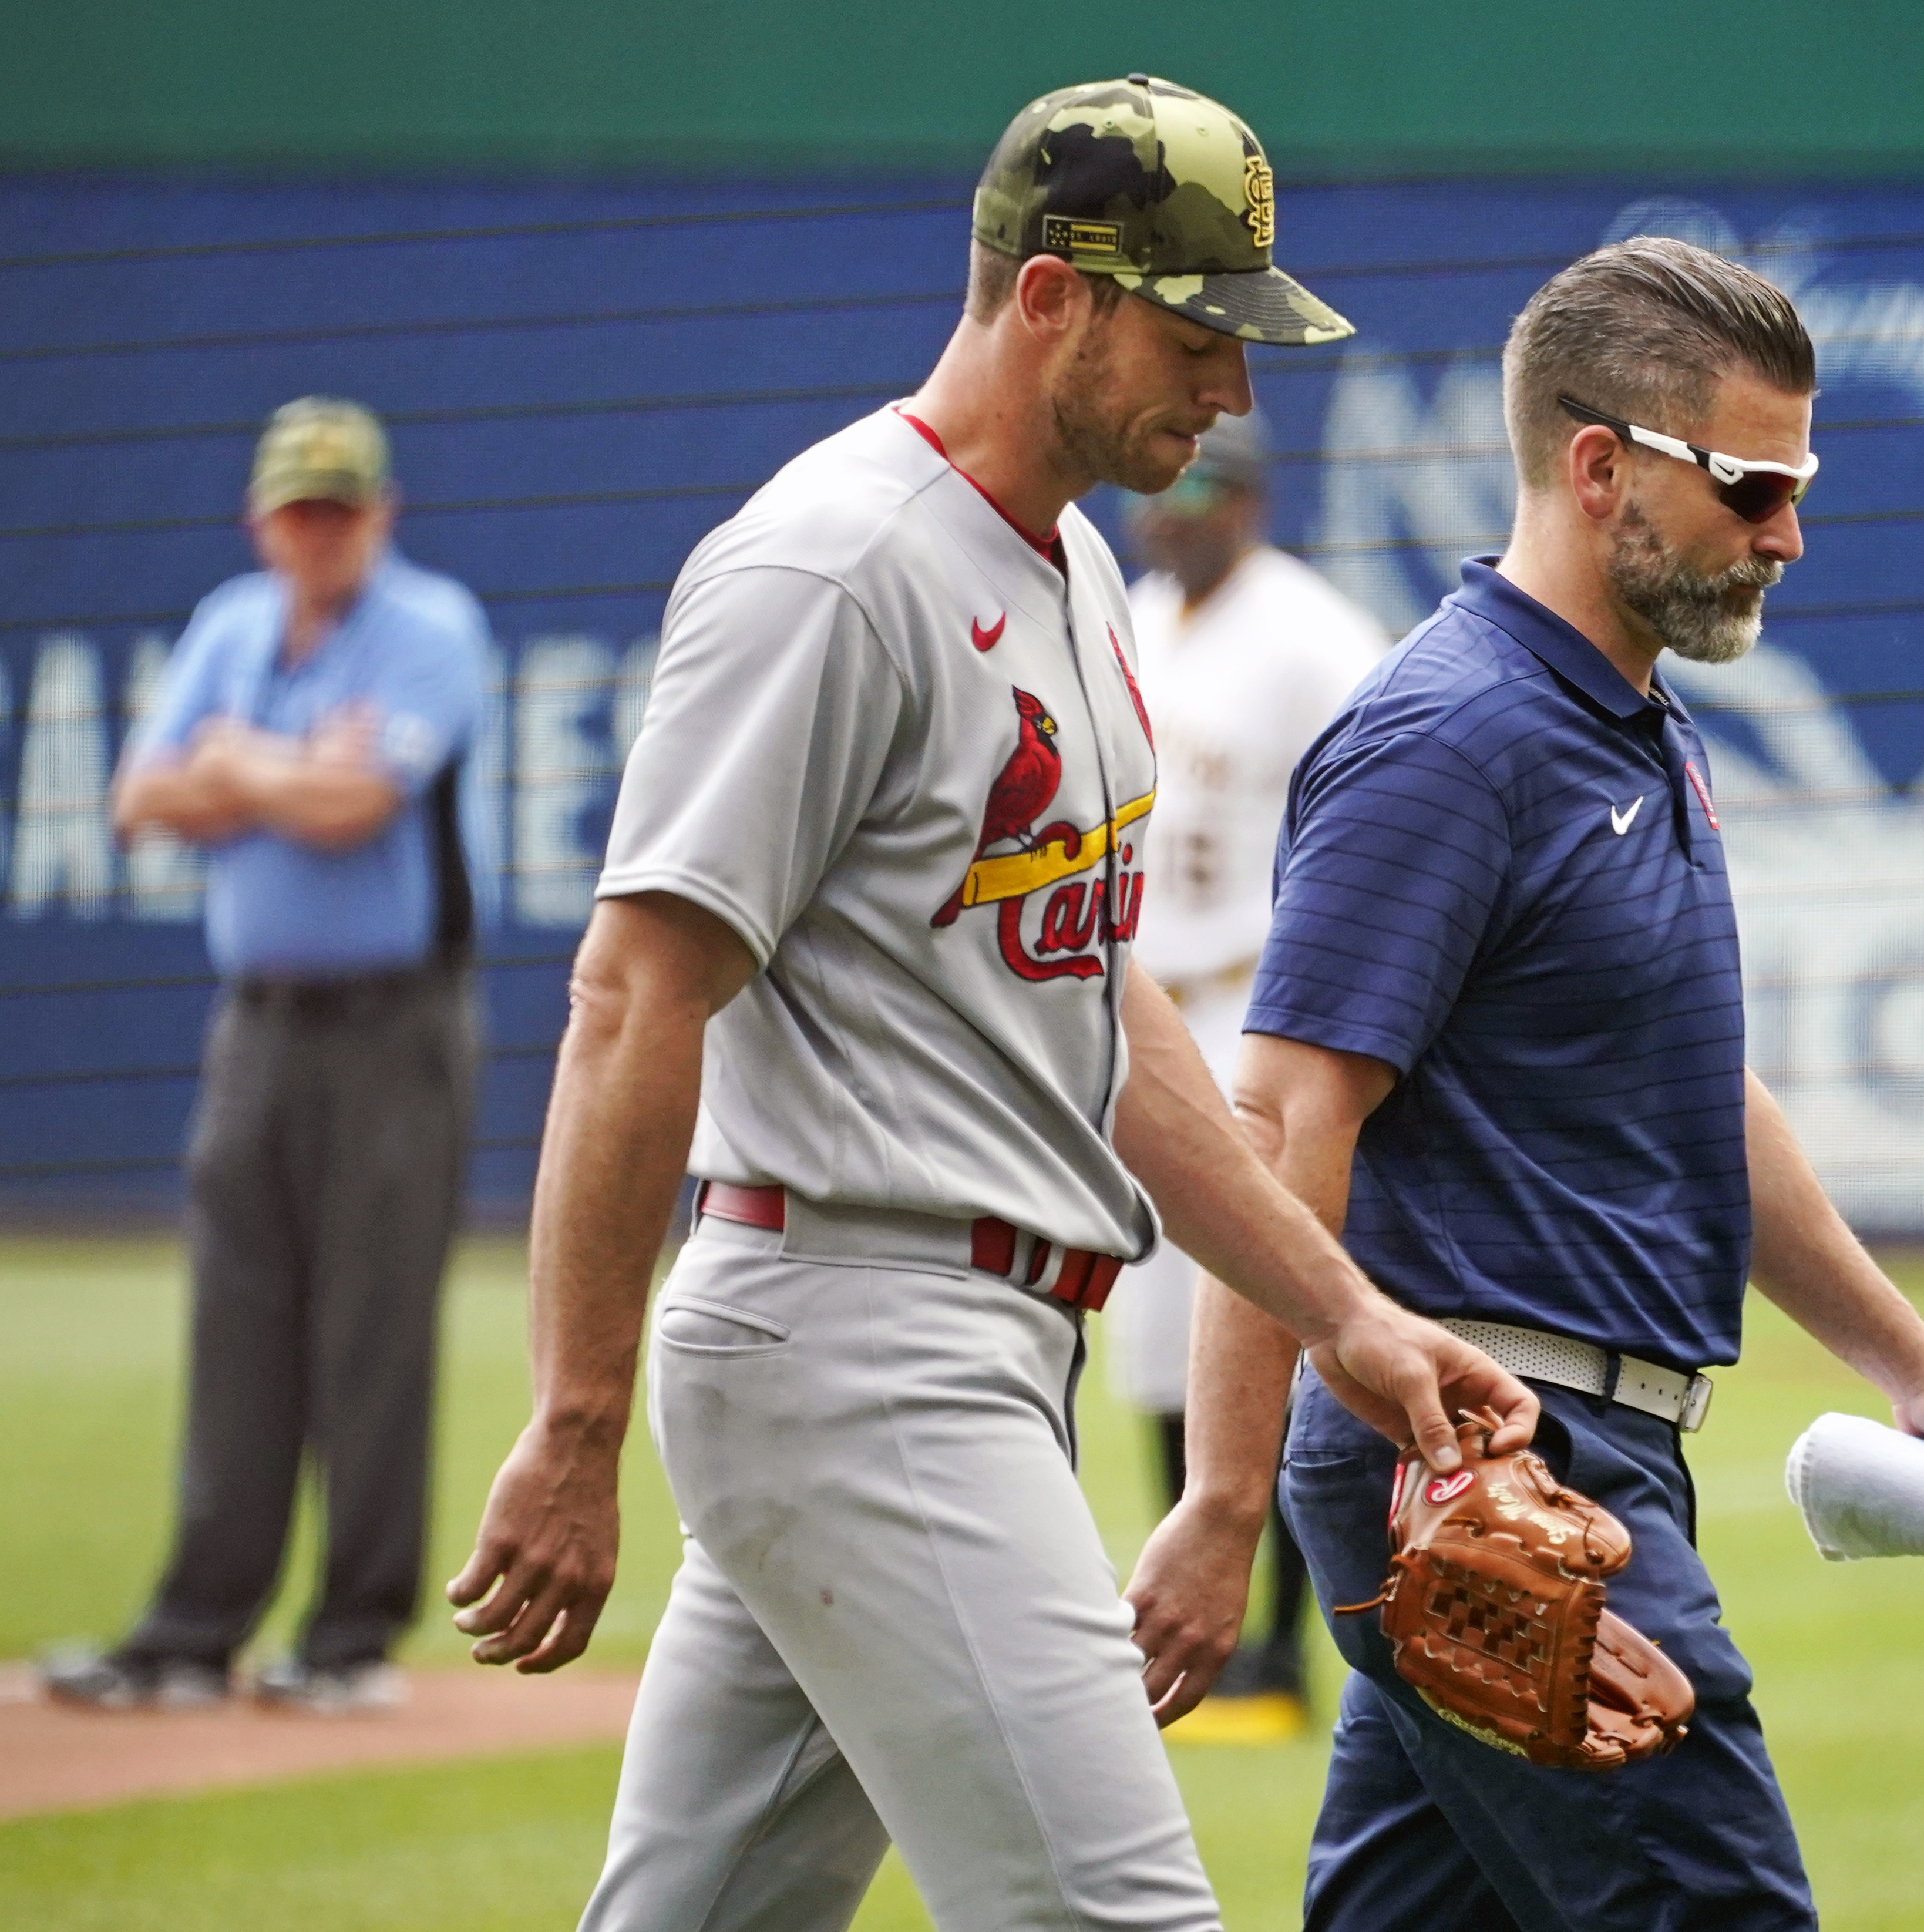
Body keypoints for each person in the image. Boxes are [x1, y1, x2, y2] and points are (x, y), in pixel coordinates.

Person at [439, 76, 1537, 1932]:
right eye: (1196, 332)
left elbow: (1094, 1016)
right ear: (1051, 300)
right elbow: (635, 994)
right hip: (861, 1335)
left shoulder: (1071, 563)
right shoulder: (831, 565)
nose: (1234, 388)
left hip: (967, 1340)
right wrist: (572, 1417)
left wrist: (1340, 1309)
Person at [1127, 237, 1924, 1929]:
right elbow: (1281, 1122)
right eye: (1752, 484)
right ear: (1595, 464)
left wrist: (1913, 1370)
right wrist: (1219, 1500)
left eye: (1796, 482)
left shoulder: (1635, 724)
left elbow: (1707, 1101)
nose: (1786, 531)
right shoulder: (1448, 737)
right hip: (1494, 1467)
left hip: (1559, 1447)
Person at [42, 396, 488, 1717]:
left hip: (394, 1025)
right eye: (301, 509)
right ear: (262, 519)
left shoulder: (433, 628)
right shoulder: (231, 624)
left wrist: (235, 764)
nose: (322, 532)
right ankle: (192, 1629)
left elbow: (359, 809)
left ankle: (349, 1637)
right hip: (255, 1024)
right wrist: (269, 764)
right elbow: (136, 799)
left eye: (343, 508)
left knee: (370, 1328)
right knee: (235, 1322)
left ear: (382, 514)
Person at [1115, 408, 1387, 1738]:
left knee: (1260, 1319)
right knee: (1161, 1340)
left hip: (1257, 1004)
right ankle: (1206, 1644)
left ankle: (1275, 1647)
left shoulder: (1315, 640)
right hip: (1142, 1011)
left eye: (1202, 486)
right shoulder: (1136, 610)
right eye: (1163, 480)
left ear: (1256, 499)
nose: (1171, 507)